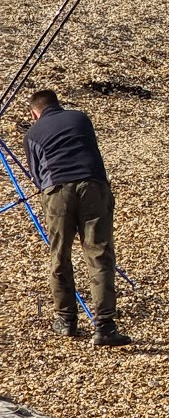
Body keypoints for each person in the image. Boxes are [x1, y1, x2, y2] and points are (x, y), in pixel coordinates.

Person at [24, 91, 130, 346]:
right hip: (92, 186)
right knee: (98, 254)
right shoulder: (80, 118)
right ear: (57, 104)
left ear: (34, 113)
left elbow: (37, 178)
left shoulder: (32, 135)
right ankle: (105, 326)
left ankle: (66, 320)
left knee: (60, 255)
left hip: (57, 191)